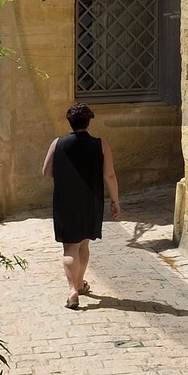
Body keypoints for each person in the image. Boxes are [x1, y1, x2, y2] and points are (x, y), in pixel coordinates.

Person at [43, 104, 121, 308]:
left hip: (65, 200)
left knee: (70, 247)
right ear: (89, 122)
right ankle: (79, 283)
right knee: (84, 244)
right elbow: (109, 175)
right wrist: (115, 201)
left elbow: (46, 171)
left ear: (70, 122)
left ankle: (73, 291)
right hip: (90, 200)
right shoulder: (101, 145)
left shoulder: (57, 143)